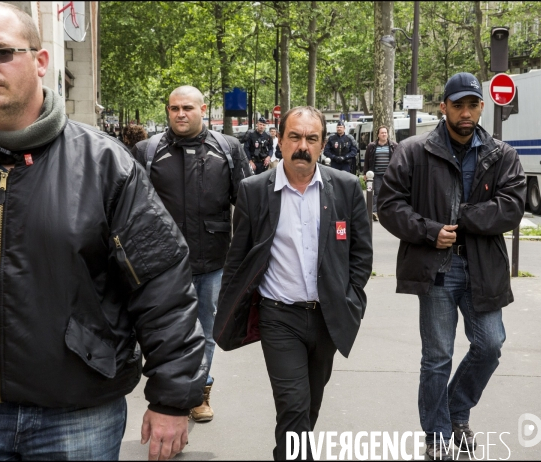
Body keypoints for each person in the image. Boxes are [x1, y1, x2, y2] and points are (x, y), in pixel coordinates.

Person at [0, 3, 205, 460]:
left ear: (41, 61)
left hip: (77, 414)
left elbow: (162, 285)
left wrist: (172, 398)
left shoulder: (106, 167)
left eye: (1, 52)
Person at [377, 72, 526, 461]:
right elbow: (389, 206)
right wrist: (429, 231)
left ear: (482, 106)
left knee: (490, 344)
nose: (465, 112)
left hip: (482, 268)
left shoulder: (502, 153)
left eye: (472, 104)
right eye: (457, 105)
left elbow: (512, 206)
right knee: (437, 356)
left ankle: (456, 411)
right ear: (442, 107)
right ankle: (439, 436)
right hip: (437, 268)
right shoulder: (413, 151)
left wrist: (465, 217)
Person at [214, 106, 373, 460]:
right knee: (294, 407)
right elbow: (237, 258)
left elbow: (361, 255)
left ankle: (287, 452)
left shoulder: (346, 188)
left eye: (311, 139)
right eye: (295, 137)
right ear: (279, 140)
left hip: (328, 317)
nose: (303, 145)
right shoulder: (254, 191)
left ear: (322, 144)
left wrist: (352, 300)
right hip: (278, 318)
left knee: (309, 407)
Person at [132, 85, 251, 423]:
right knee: (162, 332)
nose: (180, 114)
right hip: (161, 265)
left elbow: (246, 206)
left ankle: (199, 392)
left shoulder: (228, 149)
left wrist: (247, 257)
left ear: (203, 109)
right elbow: (130, 207)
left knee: (206, 332)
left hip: (212, 262)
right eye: (174, 108)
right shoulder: (146, 151)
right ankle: (171, 394)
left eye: (187, 107)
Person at [363, 125, 398, 221]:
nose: (384, 134)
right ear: (378, 134)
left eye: (385, 133)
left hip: (389, 174)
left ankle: (388, 212)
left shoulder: (394, 146)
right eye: (382, 133)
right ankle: (375, 212)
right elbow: (366, 161)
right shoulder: (371, 146)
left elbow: (399, 160)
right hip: (376, 174)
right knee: (377, 193)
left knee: (389, 193)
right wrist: (365, 173)